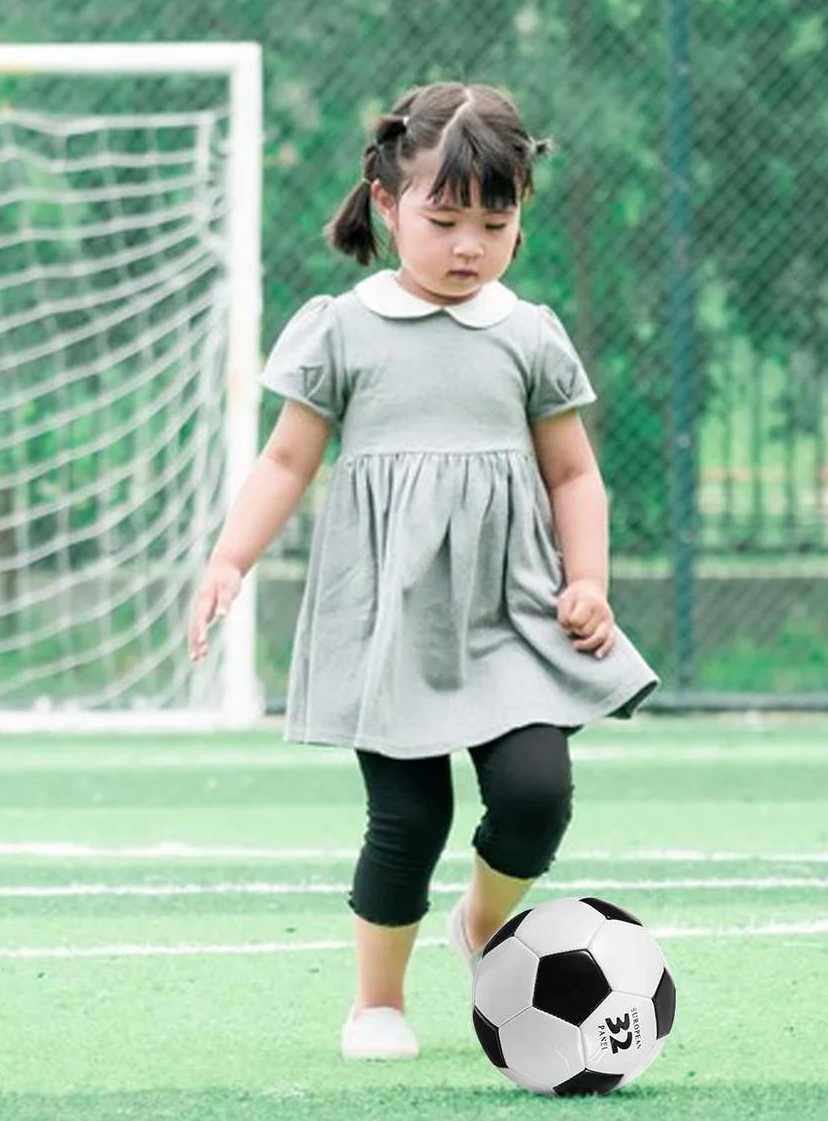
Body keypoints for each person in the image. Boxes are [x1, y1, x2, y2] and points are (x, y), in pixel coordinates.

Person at [187, 80, 659, 1061]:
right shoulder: (340, 328)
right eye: (443, 219)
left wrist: (589, 580)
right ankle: (377, 1003)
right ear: (385, 204)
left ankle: (483, 923)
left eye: (495, 220)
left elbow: (574, 471)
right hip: (389, 616)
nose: (467, 246)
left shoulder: (528, 334)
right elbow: (285, 459)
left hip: (508, 609)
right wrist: (231, 557)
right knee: (409, 815)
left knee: (536, 790)